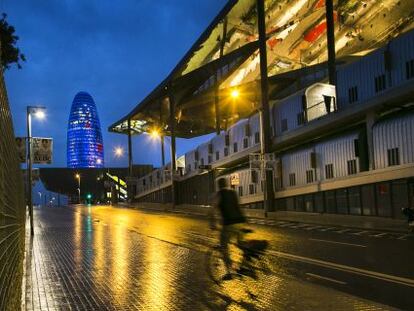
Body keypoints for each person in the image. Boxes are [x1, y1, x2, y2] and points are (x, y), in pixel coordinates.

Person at [210, 177, 246, 279]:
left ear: (219, 185)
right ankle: (244, 265)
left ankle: (229, 272)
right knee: (241, 245)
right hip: (240, 221)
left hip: (229, 223)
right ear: (226, 184)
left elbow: (213, 211)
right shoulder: (233, 193)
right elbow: (238, 207)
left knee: (223, 247)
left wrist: (213, 224)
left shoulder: (219, 195)